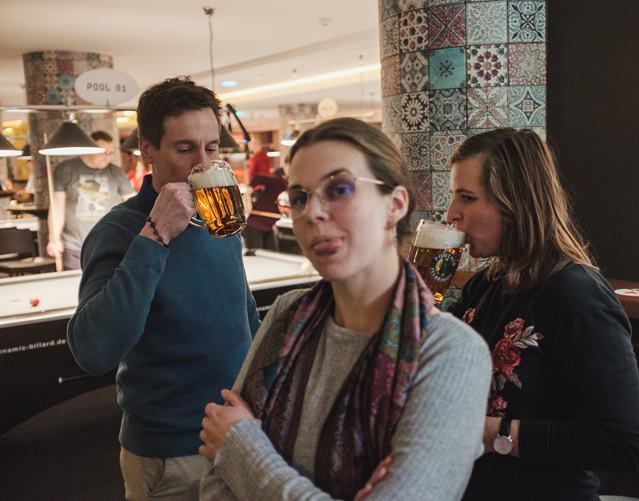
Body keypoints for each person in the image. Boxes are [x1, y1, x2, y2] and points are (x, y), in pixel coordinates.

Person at [199, 118, 492, 500]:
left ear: (395, 204)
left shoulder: (451, 352)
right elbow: (214, 486)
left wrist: (241, 447)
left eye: (339, 189)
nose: (313, 212)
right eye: (299, 198)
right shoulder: (288, 313)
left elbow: (227, 449)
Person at [67, 77, 261, 501]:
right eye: (185, 148)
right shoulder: (119, 231)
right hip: (170, 457)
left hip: (240, 440)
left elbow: (242, 312)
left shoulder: (218, 217)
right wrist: (156, 234)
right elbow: (94, 350)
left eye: (212, 148)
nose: (203, 164)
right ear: (147, 150)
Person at [445, 128, 639, 500]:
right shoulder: (485, 283)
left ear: (515, 202)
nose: (451, 214)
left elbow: (625, 443)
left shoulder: (577, 295)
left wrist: (494, 433)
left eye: (467, 197)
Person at [47, 130, 135, 269]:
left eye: (110, 153)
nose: (107, 158)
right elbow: (57, 207)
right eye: (102, 153)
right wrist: (54, 239)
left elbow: (132, 202)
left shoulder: (115, 172)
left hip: (109, 244)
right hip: (74, 246)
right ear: (89, 149)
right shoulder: (65, 169)